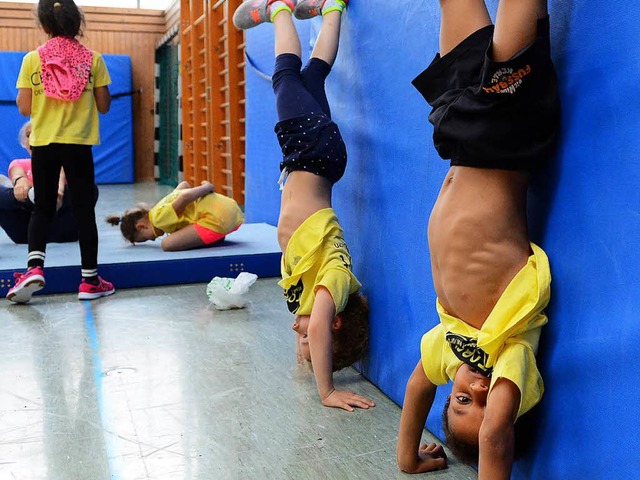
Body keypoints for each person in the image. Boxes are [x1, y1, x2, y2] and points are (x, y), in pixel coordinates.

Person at [396, 0, 560, 477]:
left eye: (463, 400)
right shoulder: (513, 356)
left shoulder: (449, 347)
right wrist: (492, 430)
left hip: (463, 136)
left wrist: (407, 459)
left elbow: (415, 390)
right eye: (494, 404)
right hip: (508, 131)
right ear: (514, 408)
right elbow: (492, 434)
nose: (481, 390)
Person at [233, 0, 374, 411]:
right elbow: (317, 322)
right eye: (308, 337)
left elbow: (311, 320)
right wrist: (326, 389)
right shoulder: (334, 281)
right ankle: (278, 10)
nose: (298, 331)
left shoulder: (317, 290)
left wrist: (305, 344)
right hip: (309, 151)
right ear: (333, 323)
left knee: (314, 74)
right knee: (285, 76)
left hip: (318, 158)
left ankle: (333, 8)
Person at [7, 0, 115, 303]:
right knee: (83, 211)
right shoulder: (93, 59)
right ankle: (90, 282)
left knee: (42, 207)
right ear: (77, 22)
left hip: (43, 143)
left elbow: (25, 106)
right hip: (78, 144)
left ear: (44, 24)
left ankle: (34, 268)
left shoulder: (32, 59)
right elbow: (104, 106)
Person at [0, 121, 98, 244]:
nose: (34, 137)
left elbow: (63, 171)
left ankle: (37, 196)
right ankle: (33, 196)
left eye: (40, 133)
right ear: (25, 143)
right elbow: (17, 174)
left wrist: (57, 190)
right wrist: (21, 184)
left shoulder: (67, 162)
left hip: (63, 227)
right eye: (29, 134)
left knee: (89, 188)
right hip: (25, 230)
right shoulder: (19, 163)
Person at [105, 180, 244, 251]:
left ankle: (215, 235)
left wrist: (206, 188)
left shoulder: (158, 219)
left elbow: (184, 197)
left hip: (219, 218)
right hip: (233, 212)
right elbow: (184, 185)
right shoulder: (161, 205)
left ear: (141, 226)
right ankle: (216, 236)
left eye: (146, 239)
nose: (153, 240)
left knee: (167, 244)